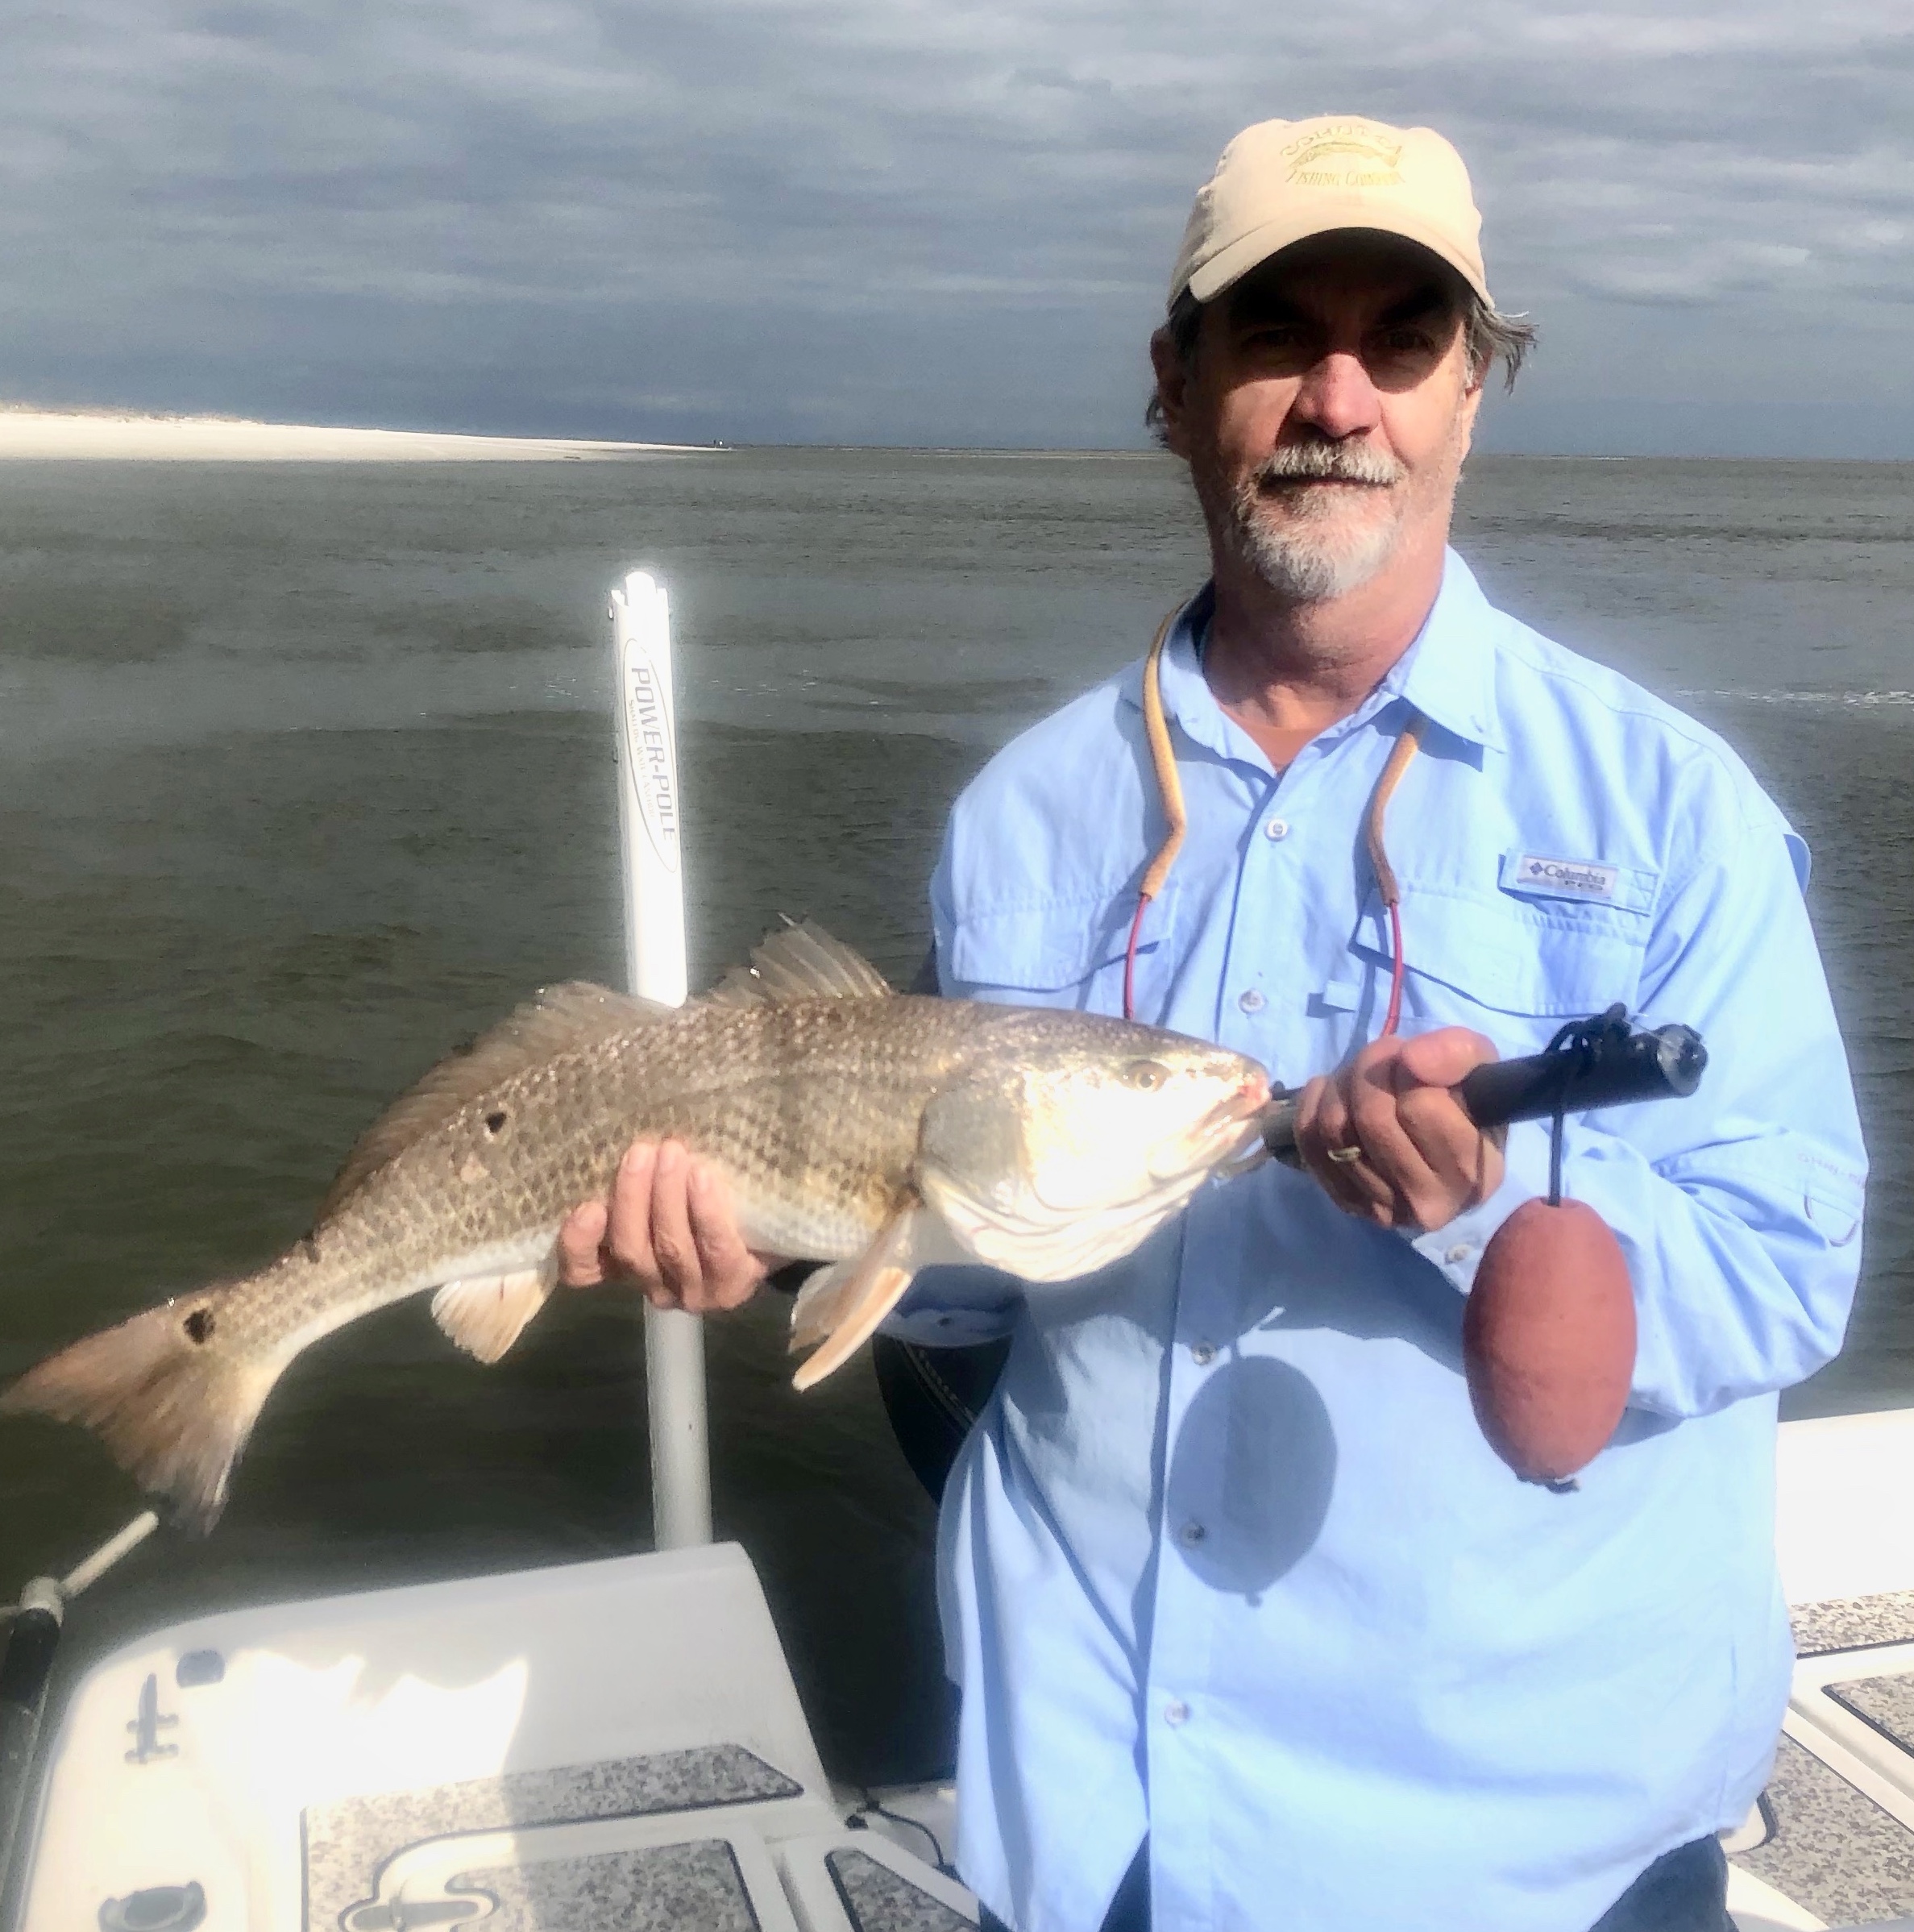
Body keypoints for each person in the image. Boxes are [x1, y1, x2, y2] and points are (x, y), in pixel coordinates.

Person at [558, 114, 1867, 1932]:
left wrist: (1485, 1204)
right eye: (1275, 335)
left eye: (1402, 340)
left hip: (1519, 1856)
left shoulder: (1673, 809)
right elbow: (969, 1268)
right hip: (1095, 1816)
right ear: (1174, 385)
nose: (1340, 397)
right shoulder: (1022, 811)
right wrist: (774, 1237)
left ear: (1470, 393)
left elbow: (1790, 1270)